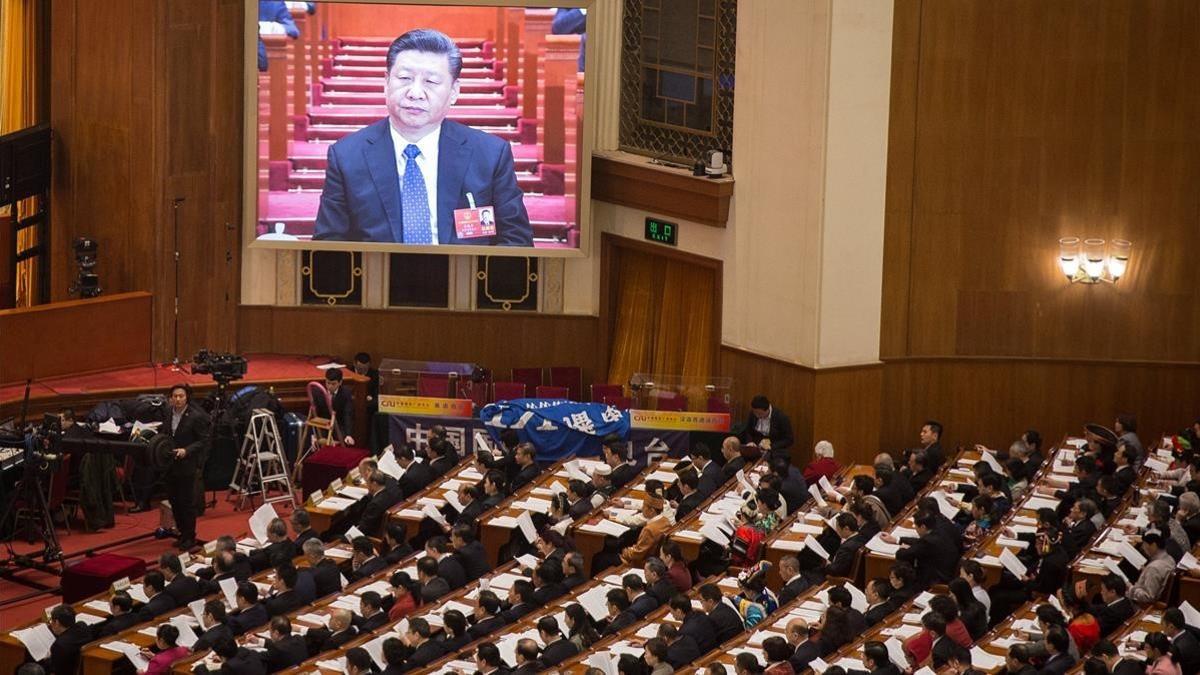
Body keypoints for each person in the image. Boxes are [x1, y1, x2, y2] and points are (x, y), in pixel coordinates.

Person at [313, 29, 532, 245]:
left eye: (431, 82)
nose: (415, 92)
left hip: (465, 276)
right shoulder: (347, 156)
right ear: (386, 82)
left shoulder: (490, 155)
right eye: (405, 78)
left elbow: (516, 241)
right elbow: (328, 243)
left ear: (454, 91)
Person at [159, 384, 211, 549]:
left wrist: (186, 451)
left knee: (186, 502)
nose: (178, 399)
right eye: (175, 396)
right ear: (170, 398)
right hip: (170, 464)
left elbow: (204, 441)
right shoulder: (168, 412)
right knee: (174, 501)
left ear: (187, 397)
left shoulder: (196, 416)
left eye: (181, 396)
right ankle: (182, 533)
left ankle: (190, 536)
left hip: (187, 464)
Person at [739, 395, 794, 463]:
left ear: (767, 409)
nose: (757, 416)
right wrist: (750, 442)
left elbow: (789, 439)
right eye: (755, 413)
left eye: (760, 414)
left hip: (775, 450)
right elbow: (748, 431)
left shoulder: (781, 417)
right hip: (756, 448)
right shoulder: (753, 414)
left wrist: (771, 446)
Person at [46, 605, 93, 675]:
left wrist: (48, 659)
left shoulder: (59, 645)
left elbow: (55, 670)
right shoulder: (82, 626)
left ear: (57, 622)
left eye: (51, 620)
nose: (50, 623)